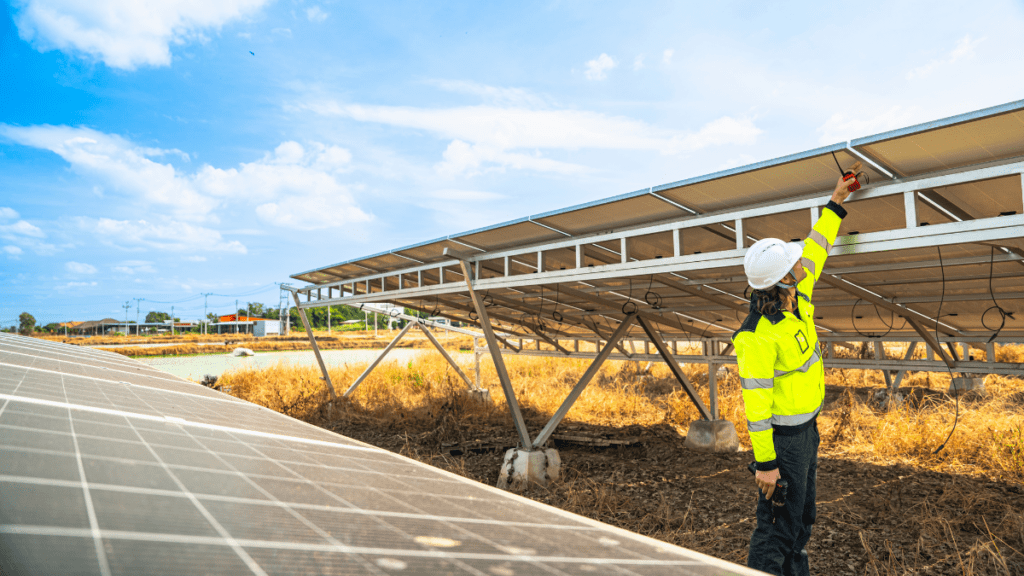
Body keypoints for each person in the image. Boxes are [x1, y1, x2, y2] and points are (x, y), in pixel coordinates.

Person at [733, 162, 861, 576]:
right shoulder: (756, 337)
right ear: (782, 281)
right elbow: (756, 406)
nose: (802, 262)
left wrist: (837, 200)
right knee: (776, 532)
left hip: (807, 432)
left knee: (802, 522)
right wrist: (766, 463)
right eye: (794, 264)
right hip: (783, 444)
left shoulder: (797, 295)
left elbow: (817, 244)